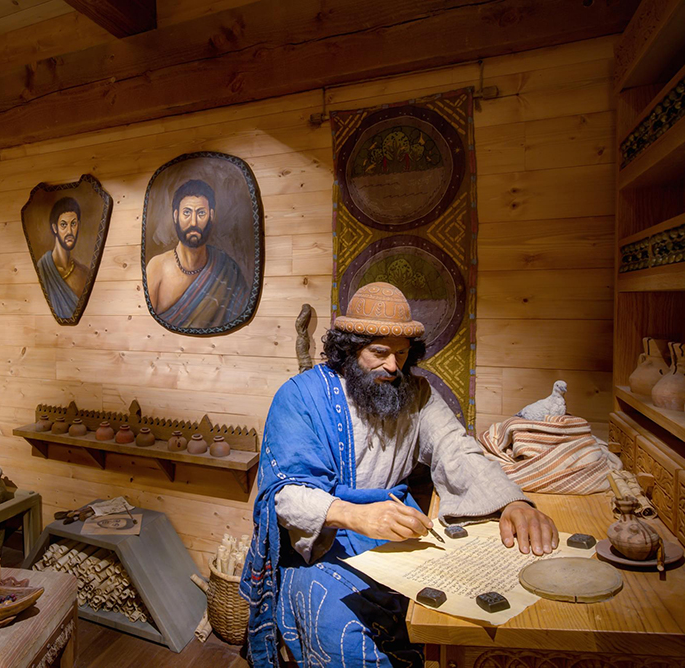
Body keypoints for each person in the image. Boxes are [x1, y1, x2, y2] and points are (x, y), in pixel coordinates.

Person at [240, 282, 558, 668]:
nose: (393, 366)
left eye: (402, 355)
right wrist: (356, 514)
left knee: (452, 612)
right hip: (320, 546)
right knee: (336, 630)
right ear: (348, 348)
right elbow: (283, 495)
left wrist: (512, 501)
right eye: (380, 353)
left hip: (394, 536)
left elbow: (455, 448)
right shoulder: (300, 397)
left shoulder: (416, 394)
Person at [145, 179, 247, 328]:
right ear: (175, 215)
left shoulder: (228, 270)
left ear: (211, 215)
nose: (193, 222)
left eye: (201, 213)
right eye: (186, 213)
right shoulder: (157, 267)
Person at [36, 197, 89, 319]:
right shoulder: (42, 270)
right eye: (63, 225)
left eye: (73, 224)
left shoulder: (84, 274)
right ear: (55, 228)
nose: (69, 231)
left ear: (78, 225)